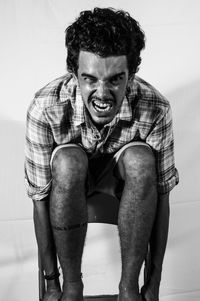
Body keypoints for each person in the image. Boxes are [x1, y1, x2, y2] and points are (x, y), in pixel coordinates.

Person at [25, 7, 179, 301]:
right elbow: (40, 199)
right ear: (74, 74)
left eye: (114, 80)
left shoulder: (156, 108)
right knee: (69, 163)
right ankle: (73, 287)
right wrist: (52, 284)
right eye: (90, 79)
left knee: (140, 160)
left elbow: (162, 196)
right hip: (68, 184)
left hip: (125, 187)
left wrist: (153, 284)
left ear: (131, 75)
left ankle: (129, 289)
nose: (102, 93)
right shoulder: (45, 107)